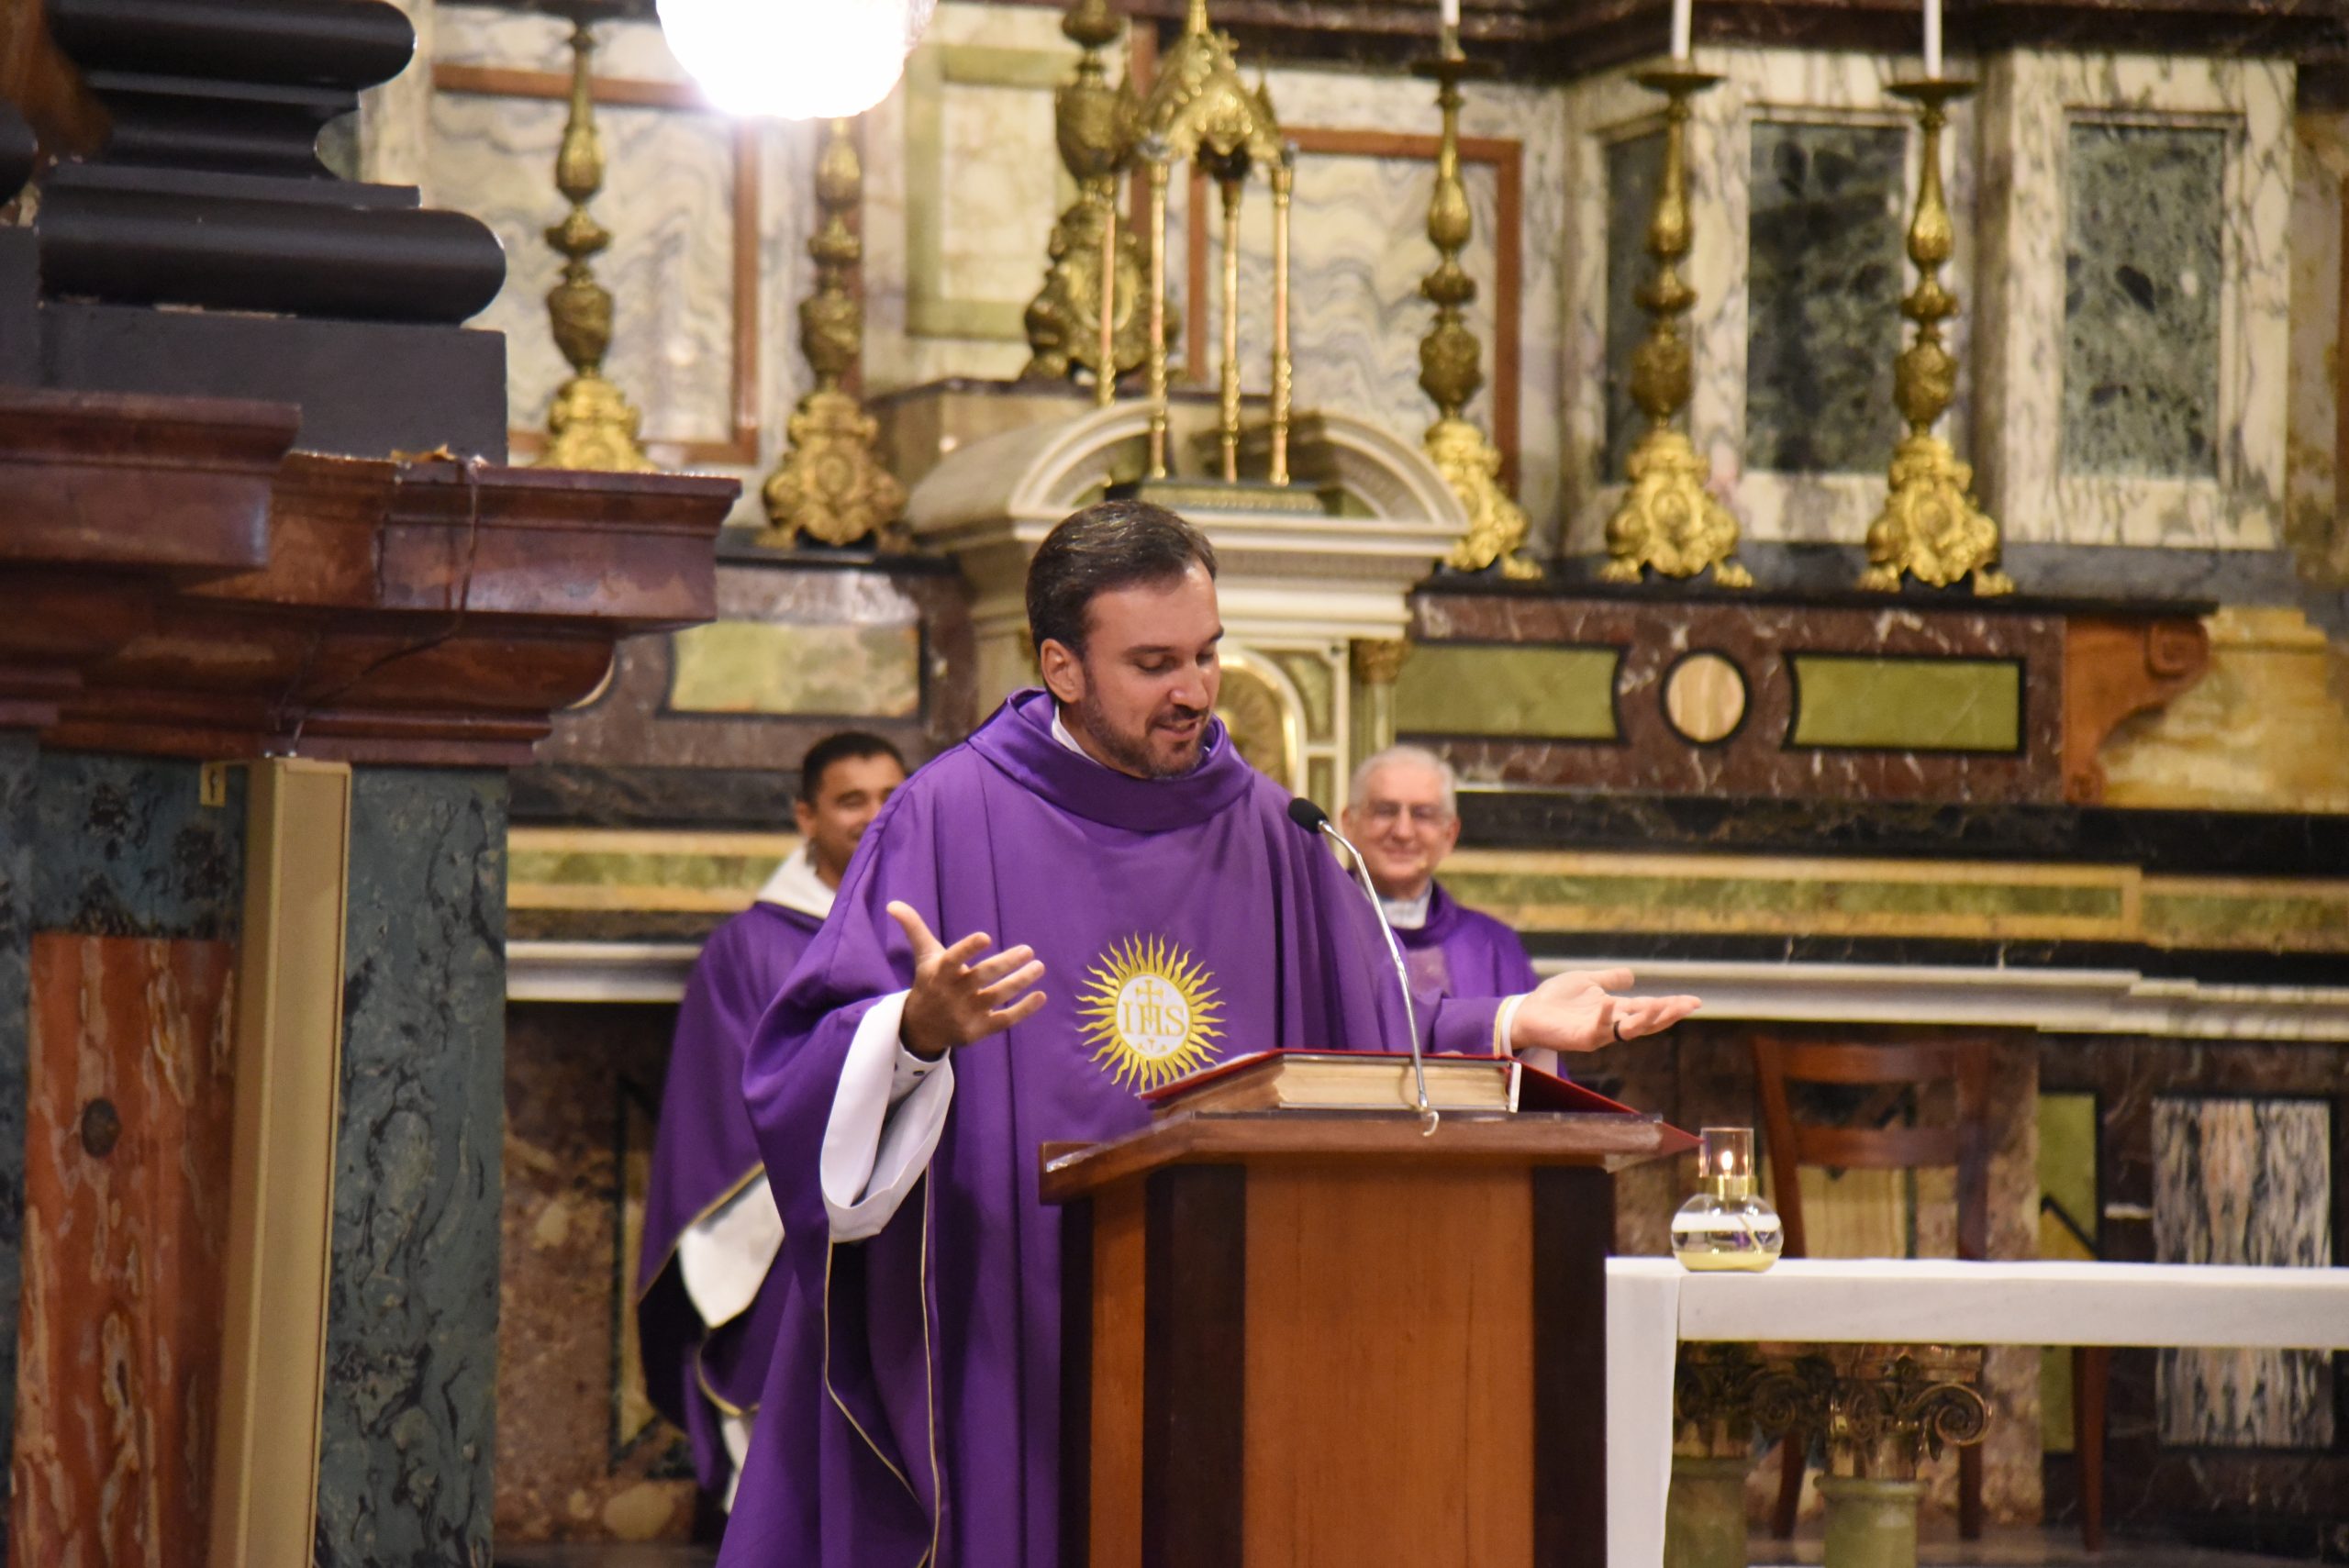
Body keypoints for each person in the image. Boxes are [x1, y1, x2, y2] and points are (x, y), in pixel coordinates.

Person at [718, 500, 1699, 1566]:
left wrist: (1509, 1016)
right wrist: (912, 1029)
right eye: (1152, 662)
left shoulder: (1270, 826)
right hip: (1005, 1302)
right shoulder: (946, 814)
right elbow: (797, 1064)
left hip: (1230, 1303)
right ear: (1063, 664)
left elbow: (1357, 1030)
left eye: (1206, 652)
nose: (1192, 689)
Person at [636, 731, 907, 1511]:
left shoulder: (940, 920)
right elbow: (726, 1108)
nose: (874, 815)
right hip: (793, 1229)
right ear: (806, 814)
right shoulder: (749, 947)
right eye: (851, 799)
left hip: (921, 1214)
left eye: (890, 796)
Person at [1341, 743, 1540, 1003]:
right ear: (1349, 824)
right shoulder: (1310, 932)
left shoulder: (1494, 948)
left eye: (1423, 815)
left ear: (1449, 834)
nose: (1403, 832)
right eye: (1385, 811)